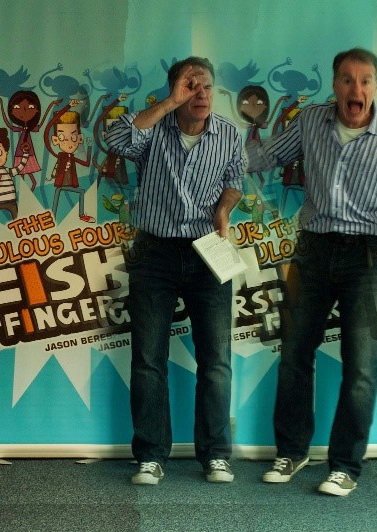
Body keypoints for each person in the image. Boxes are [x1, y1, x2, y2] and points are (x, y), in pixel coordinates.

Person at [248, 47, 377, 497]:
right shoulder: (310, 121)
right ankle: (292, 450)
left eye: (364, 81)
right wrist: (224, 143)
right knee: (295, 353)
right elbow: (262, 159)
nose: (355, 89)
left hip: (367, 257)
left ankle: (345, 465)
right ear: (334, 84)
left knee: (361, 366)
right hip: (313, 251)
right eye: (346, 80)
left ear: (375, 87)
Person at [103, 57, 245, 486]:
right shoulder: (153, 132)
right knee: (149, 358)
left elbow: (236, 178)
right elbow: (115, 138)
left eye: (206, 87)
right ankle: (150, 455)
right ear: (175, 89)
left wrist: (224, 207)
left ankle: (215, 454)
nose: (200, 94)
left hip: (207, 251)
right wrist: (168, 104)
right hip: (155, 252)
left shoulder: (229, 134)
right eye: (190, 86)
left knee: (216, 359)